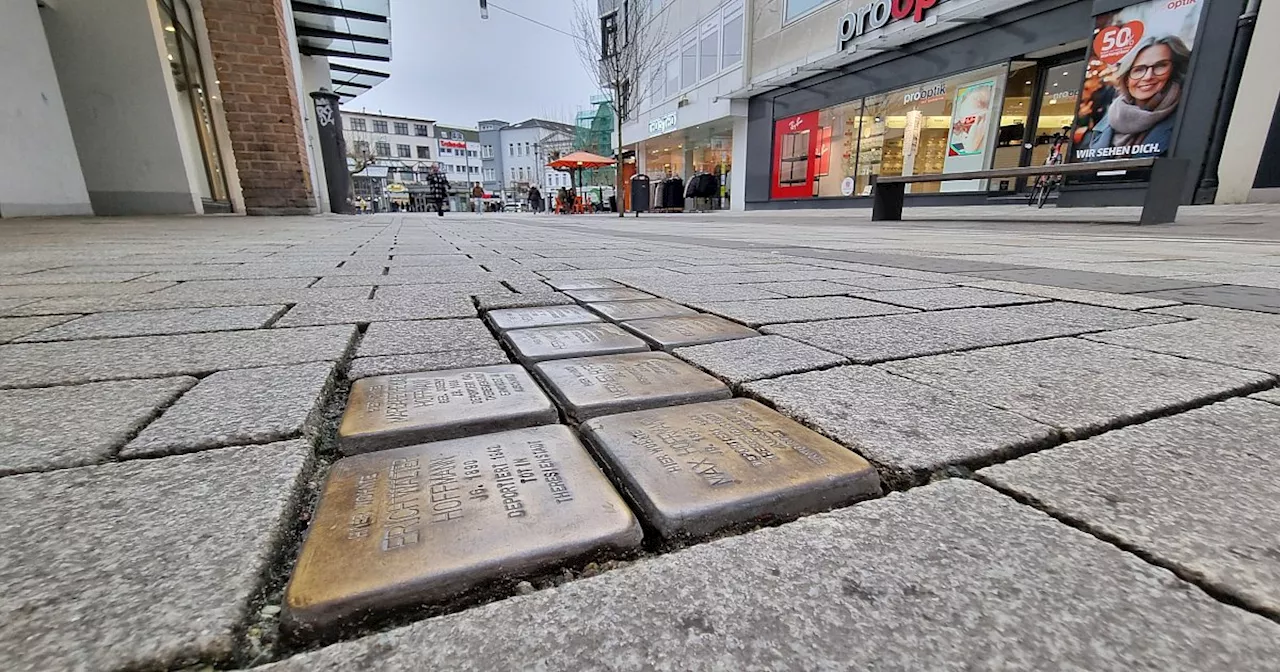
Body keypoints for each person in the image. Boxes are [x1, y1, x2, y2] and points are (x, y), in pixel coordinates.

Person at [1086, 35, 1190, 158]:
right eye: (1139, 69)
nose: (1148, 76)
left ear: (1175, 70)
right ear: (1126, 77)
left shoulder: (1187, 117)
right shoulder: (1111, 118)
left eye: (1160, 66)